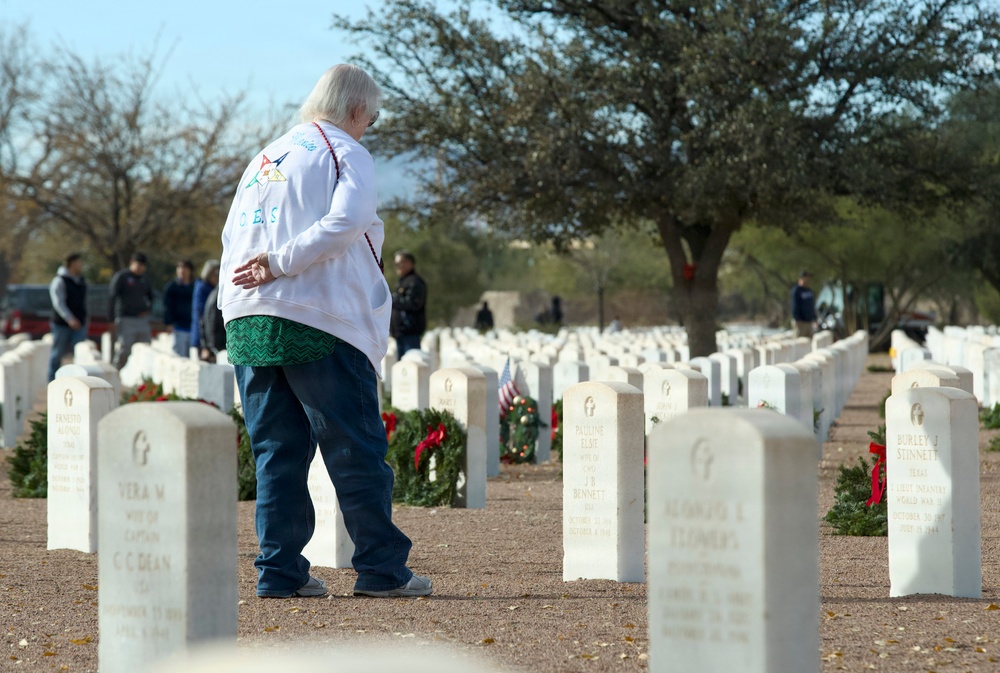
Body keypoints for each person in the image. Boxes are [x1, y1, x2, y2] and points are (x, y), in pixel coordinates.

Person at [217, 64, 430, 599]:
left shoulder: (265, 156)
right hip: (316, 314)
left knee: (276, 451)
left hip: (247, 317)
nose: (368, 128)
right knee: (354, 445)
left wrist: (255, 283)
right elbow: (349, 219)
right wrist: (282, 262)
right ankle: (382, 570)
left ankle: (280, 573)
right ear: (357, 110)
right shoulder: (344, 149)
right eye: (372, 118)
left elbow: (229, 237)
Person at [108, 252, 153, 369]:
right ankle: (115, 371)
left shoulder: (145, 279)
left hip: (141, 319)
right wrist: (111, 319)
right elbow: (112, 297)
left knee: (146, 348)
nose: (140, 268)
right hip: (125, 318)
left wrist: (148, 309)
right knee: (125, 348)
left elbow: (151, 297)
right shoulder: (122, 277)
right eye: (138, 264)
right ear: (131, 263)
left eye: (142, 265)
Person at [47, 252, 88, 381]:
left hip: (80, 324)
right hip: (62, 325)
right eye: (79, 262)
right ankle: (52, 382)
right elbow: (58, 303)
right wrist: (69, 318)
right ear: (72, 263)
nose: (81, 265)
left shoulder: (81, 280)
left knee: (80, 354)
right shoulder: (59, 280)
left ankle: (78, 382)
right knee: (57, 354)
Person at [389, 250, 427, 356]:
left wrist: (391, 299)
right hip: (400, 333)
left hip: (410, 333)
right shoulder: (403, 281)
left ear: (408, 263)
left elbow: (413, 304)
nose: (397, 266)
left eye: (399, 263)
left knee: (412, 359)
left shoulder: (415, 282)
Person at [163, 259, 195, 357]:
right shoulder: (172, 287)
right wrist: (168, 323)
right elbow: (167, 306)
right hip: (177, 327)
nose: (182, 270)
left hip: (192, 327)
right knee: (178, 357)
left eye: (185, 268)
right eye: (179, 267)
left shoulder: (196, 286)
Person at [190, 260, 220, 361]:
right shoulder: (202, 288)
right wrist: (205, 343)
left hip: (211, 336)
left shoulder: (214, 288)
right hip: (202, 336)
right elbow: (201, 312)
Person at [201, 284, 226, 362]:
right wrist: (212, 347)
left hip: (214, 345)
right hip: (218, 347)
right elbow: (212, 322)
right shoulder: (219, 293)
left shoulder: (214, 293)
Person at [791, 270, 817, 338]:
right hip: (800, 322)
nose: (808, 279)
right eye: (806, 277)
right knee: (799, 342)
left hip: (809, 322)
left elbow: (811, 306)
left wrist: (814, 318)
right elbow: (794, 305)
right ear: (802, 278)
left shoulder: (809, 291)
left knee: (809, 342)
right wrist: (796, 318)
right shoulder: (797, 290)